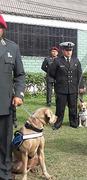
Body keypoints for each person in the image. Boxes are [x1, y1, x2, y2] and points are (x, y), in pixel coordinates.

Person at [0, 14, 26, 180]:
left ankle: (4, 173)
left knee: (4, 142)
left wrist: (18, 94)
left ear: (2, 29)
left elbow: (20, 75)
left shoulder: (12, 48)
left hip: (4, 103)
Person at [49, 42, 84, 129]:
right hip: (61, 89)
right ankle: (58, 123)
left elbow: (80, 74)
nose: (69, 52)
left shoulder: (76, 60)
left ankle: (73, 122)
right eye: (67, 50)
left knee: (73, 107)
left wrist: (81, 86)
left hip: (73, 89)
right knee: (60, 108)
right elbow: (51, 73)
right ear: (63, 50)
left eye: (70, 50)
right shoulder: (57, 60)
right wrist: (58, 80)